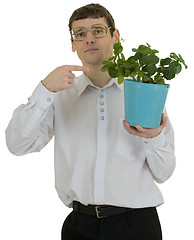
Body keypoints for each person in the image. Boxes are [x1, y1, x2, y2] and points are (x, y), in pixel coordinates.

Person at [5, 3, 176, 240]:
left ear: (115, 35)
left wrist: (154, 137)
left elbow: (164, 173)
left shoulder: (143, 93)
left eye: (98, 30)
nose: (89, 39)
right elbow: (17, 144)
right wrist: (43, 90)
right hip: (79, 227)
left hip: (136, 226)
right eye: (80, 33)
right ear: (72, 43)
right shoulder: (59, 95)